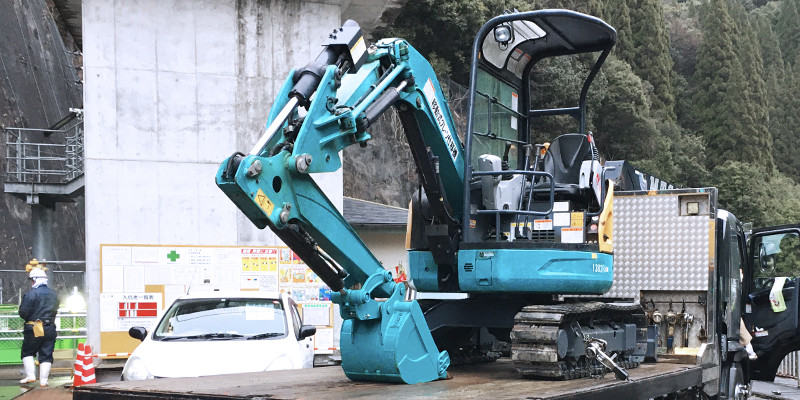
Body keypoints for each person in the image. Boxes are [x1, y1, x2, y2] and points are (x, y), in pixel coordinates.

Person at [18, 261, 59, 386]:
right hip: (50, 327)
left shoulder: (31, 294)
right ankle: (44, 381)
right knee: (46, 354)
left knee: (28, 351)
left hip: (35, 327)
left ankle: (31, 376)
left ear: (34, 280)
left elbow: (23, 312)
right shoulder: (53, 294)